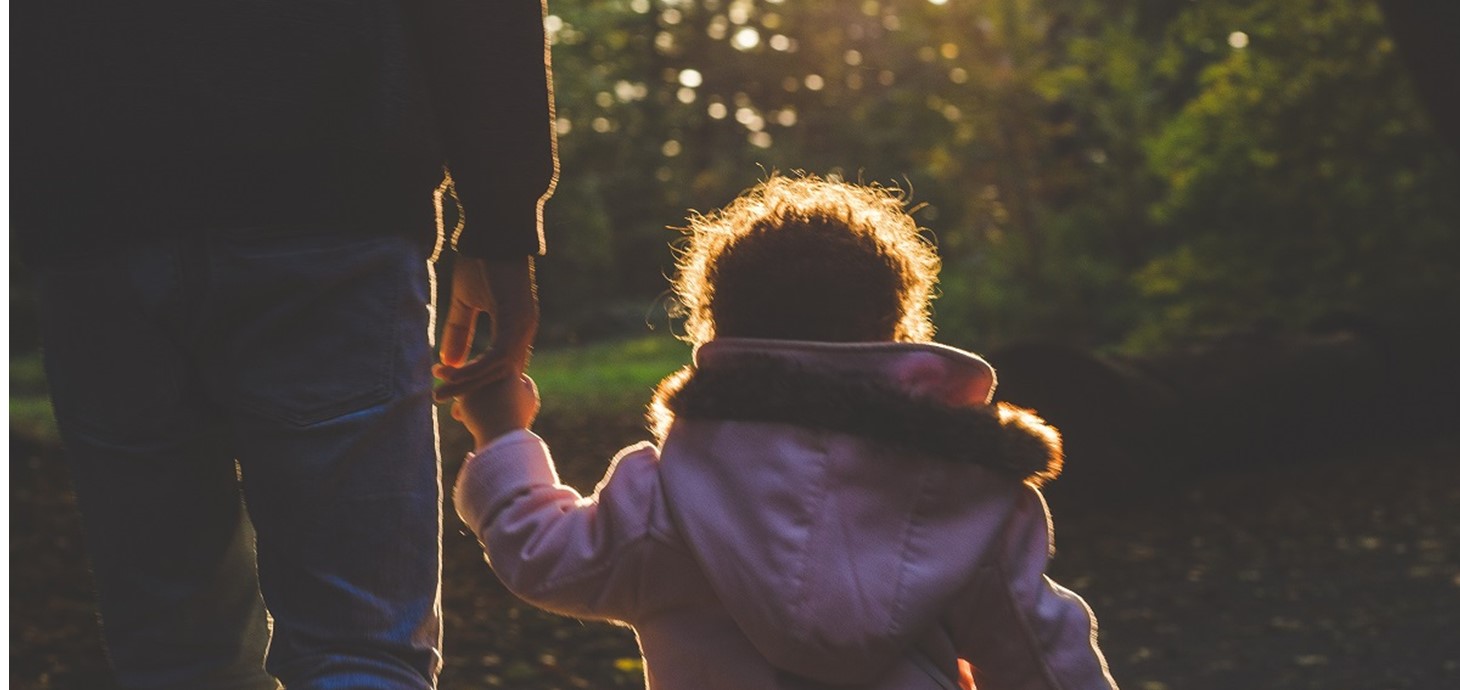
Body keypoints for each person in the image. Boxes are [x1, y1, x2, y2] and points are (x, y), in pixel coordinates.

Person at [12, 0, 557, 687]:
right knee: (357, 645)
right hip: (326, 190)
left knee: (172, 652)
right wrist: (501, 218)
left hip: (90, 211)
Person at [446, 176, 1119, 689]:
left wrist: (503, 432)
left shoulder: (666, 495)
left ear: (716, 330)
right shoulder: (967, 492)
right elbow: (1043, 655)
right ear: (898, 332)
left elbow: (545, 555)